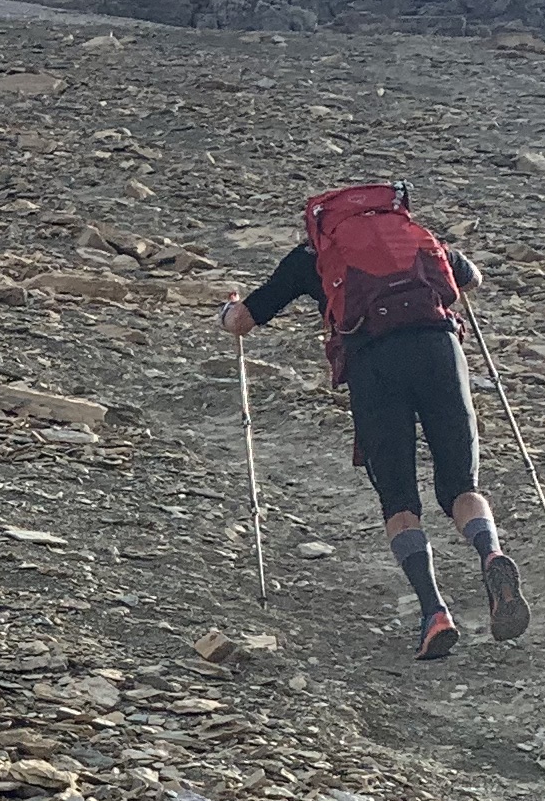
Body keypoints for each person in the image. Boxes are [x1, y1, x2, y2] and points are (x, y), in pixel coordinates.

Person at [223, 182, 529, 661]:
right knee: (460, 487)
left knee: (399, 498)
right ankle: (490, 553)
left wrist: (227, 311)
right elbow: (471, 281)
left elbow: (246, 319)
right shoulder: (418, 236)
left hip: (374, 362)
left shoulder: (313, 256)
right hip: (440, 350)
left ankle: (435, 613)